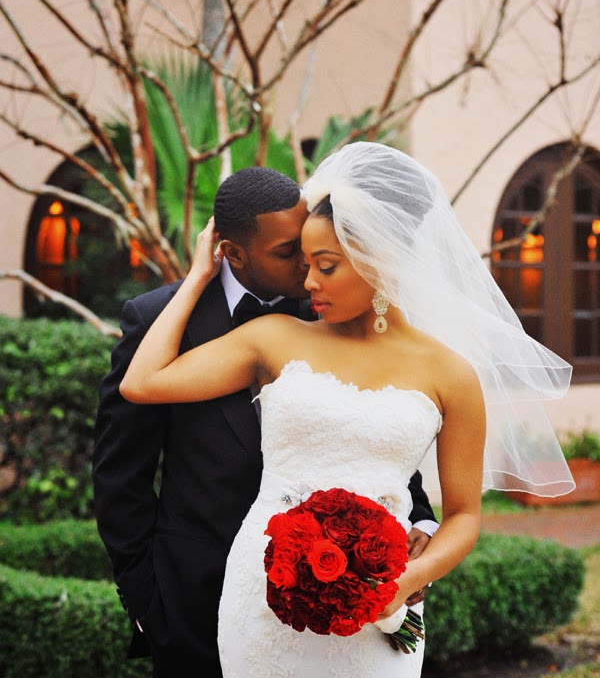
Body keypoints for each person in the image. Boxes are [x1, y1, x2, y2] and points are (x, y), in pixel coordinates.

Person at [119, 142, 574, 677]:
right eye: (305, 262)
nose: (308, 281)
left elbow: (464, 517)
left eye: (325, 265)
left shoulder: (451, 374)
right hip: (262, 596)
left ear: (378, 258)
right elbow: (142, 383)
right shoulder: (274, 337)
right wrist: (199, 275)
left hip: (381, 599)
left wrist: (409, 578)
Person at [93, 164, 437, 678]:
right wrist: (147, 603)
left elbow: (379, 421)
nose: (307, 264)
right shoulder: (157, 320)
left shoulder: (336, 303)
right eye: (287, 252)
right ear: (233, 252)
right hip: (195, 598)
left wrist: (420, 523)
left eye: (310, 246)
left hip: (339, 594)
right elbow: (120, 474)